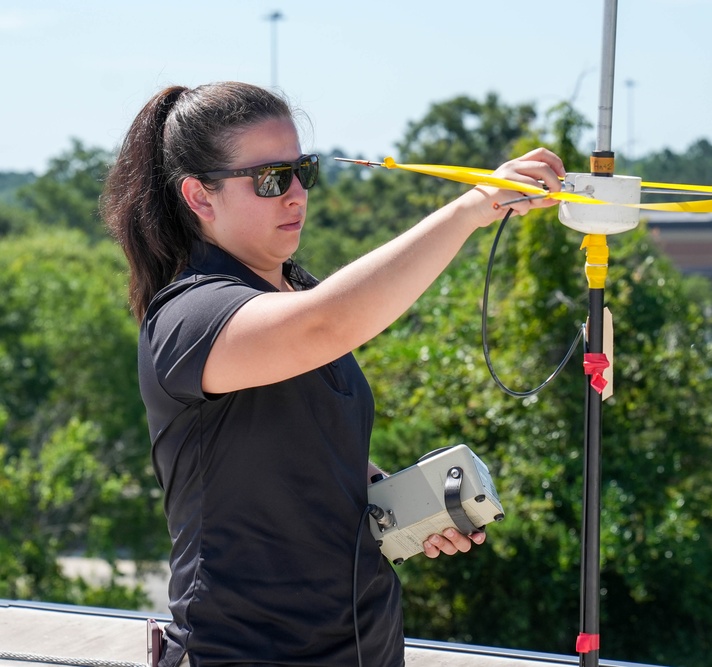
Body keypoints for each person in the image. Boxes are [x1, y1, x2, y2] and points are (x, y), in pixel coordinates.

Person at [101, 81, 564, 667]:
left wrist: (391, 503)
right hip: (249, 652)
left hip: (363, 643)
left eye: (303, 171)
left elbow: (306, 451)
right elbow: (328, 324)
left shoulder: (297, 290)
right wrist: (473, 208)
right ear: (199, 195)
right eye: (271, 179)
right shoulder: (190, 316)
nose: (296, 195)